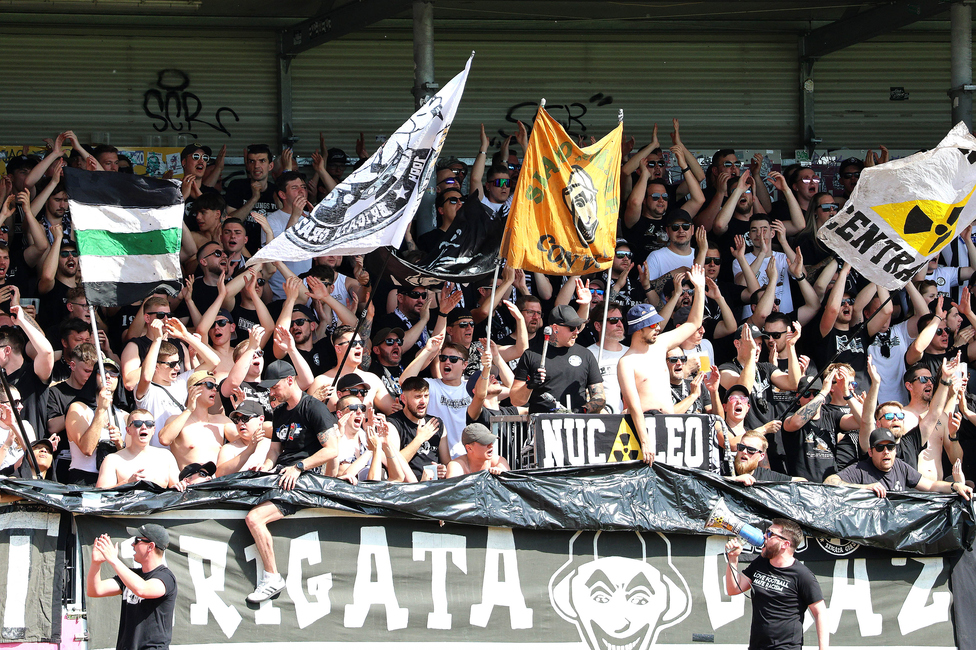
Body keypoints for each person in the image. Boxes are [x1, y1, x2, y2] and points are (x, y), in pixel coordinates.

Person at [244, 360, 339, 604]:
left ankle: (272, 577)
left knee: (254, 519)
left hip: (305, 479)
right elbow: (275, 451)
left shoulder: (314, 408)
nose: (271, 393)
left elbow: (332, 449)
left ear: (289, 380)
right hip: (281, 474)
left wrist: (299, 467)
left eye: (274, 387)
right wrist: (263, 469)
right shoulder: (279, 412)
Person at [617, 265, 706, 462]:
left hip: (670, 422)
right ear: (639, 329)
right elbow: (633, 405)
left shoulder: (660, 345)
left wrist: (700, 289)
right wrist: (645, 440)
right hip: (644, 427)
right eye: (653, 325)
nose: (658, 328)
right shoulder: (626, 362)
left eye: (658, 323)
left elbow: (693, 324)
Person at [725, 518, 829, 650]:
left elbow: (820, 613)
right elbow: (733, 589)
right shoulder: (761, 562)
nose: (764, 536)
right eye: (766, 532)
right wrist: (733, 559)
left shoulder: (803, 575)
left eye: (770, 534)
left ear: (785, 544)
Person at [86, 524, 178, 650]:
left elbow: (142, 589)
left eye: (137, 540)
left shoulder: (166, 577)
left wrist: (114, 559)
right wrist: (96, 563)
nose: (132, 545)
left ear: (150, 546)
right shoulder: (132, 575)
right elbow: (95, 590)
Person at [826, 428, 973, 499]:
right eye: (880, 448)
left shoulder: (900, 466)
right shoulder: (860, 469)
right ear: (871, 452)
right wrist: (865, 488)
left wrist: (955, 486)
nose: (886, 452)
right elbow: (830, 482)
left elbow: (931, 486)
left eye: (890, 447)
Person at [445, 423, 510, 477]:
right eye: (485, 442)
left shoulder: (498, 461)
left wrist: (501, 475)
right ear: (469, 448)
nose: (491, 445)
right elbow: (454, 490)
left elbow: (510, 486)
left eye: (491, 441)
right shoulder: (457, 465)